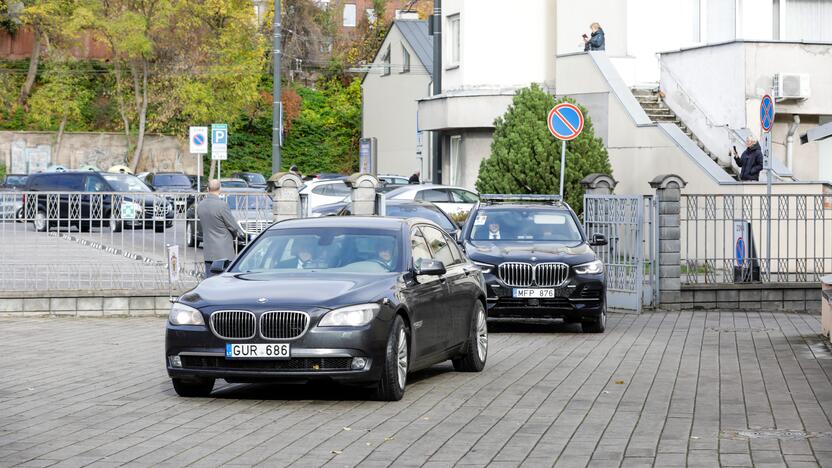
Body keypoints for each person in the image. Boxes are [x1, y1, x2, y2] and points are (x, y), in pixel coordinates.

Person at [198, 179, 246, 278]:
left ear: (207, 189)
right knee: (224, 280)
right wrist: (240, 235)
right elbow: (233, 226)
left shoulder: (200, 205)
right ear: (220, 190)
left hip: (208, 250)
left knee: (210, 280)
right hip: (223, 251)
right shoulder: (222, 205)